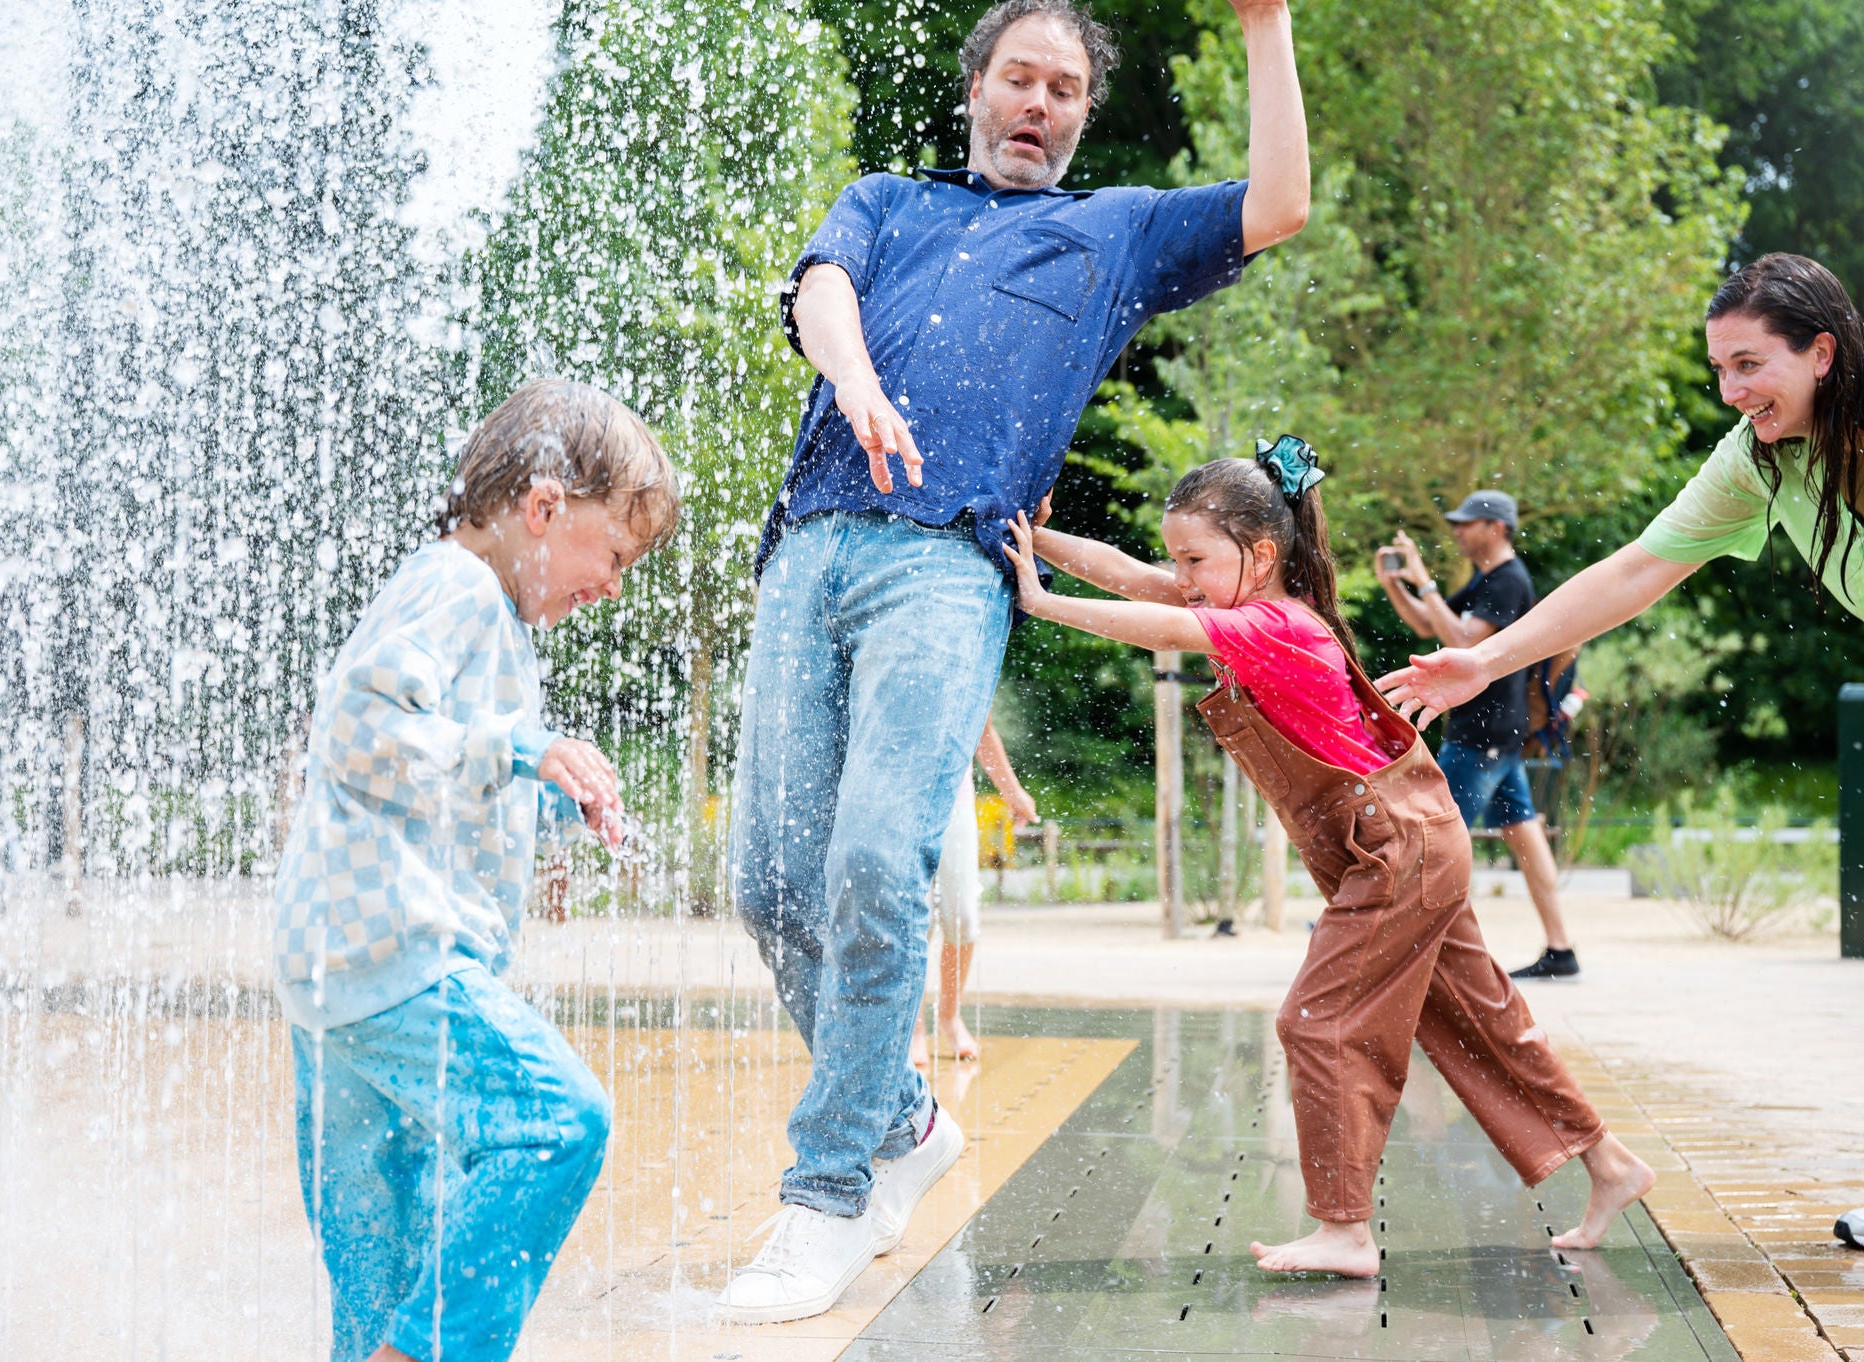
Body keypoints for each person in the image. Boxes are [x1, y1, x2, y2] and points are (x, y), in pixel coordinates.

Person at [722, 0, 1310, 1324]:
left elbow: (1279, 202)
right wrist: (860, 381)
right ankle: (909, 1119)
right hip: (807, 547)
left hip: (948, 561)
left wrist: (1266, 27)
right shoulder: (884, 200)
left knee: (878, 860)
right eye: (1018, 78)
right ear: (977, 88)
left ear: (1083, 118)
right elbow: (821, 287)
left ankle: (826, 1194)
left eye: (1065, 89)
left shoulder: (1114, 235)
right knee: (767, 883)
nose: (1039, 103)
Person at [1378, 252, 1864, 1298]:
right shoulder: (1769, 454)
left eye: (1747, 365)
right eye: (1717, 370)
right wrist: (1488, 660)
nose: (1730, 393)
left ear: (1822, 351)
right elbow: (1641, 565)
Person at [1002, 437, 1655, 1278]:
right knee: (1479, 1017)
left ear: (1262, 553)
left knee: (1318, 1020)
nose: (1183, 573)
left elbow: (1155, 620)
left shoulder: (1273, 624)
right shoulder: (1258, 601)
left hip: (1395, 851)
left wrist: (1042, 601)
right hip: (1407, 841)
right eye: (1179, 557)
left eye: (1195, 558)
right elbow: (1135, 578)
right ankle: (1608, 1164)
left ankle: (1345, 1229)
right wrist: (1037, 540)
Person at [271, 380, 679, 1362]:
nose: (613, 587)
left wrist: (549, 802)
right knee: (554, 1120)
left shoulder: (476, 612)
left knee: (386, 1263)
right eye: (613, 555)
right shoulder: (456, 589)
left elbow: (432, 772)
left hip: (344, 975)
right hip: (397, 957)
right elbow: (359, 732)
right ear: (543, 508)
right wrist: (520, 751)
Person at [1376, 491, 1580, 979]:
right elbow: (1432, 624)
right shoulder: (1488, 580)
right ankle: (1562, 950)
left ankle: (1392, 947)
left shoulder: (1509, 581)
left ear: (1497, 528)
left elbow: (1464, 642)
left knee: (1431, 839)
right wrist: (1395, 585)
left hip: (1482, 734)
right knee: (1525, 840)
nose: (1458, 531)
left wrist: (1424, 580)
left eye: (1468, 524)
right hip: (1497, 735)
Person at [911, 718, 1037, 1067]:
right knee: (912, 921)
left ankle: (950, 1018)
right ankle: (913, 1028)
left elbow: (982, 726)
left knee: (963, 916)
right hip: (899, 801)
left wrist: (1013, 792)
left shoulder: (963, 663)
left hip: (955, 801)